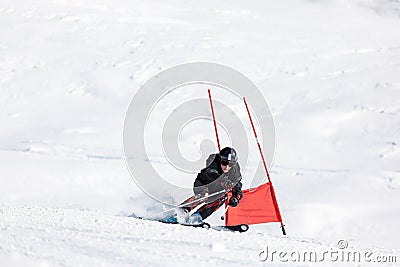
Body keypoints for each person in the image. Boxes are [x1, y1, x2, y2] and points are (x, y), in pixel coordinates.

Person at [181, 147, 243, 223]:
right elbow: (210, 173)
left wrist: (236, 198)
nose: (227, 167)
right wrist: (224, 181)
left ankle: (197, 217)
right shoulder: (213, 160)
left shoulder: (235, 170)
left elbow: (237, 185)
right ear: (220, 160)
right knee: (204, 195)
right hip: (204, 183)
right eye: (224, 162)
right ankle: (182, 210)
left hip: (217, 188)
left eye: (231, 164)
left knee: (223, 197)